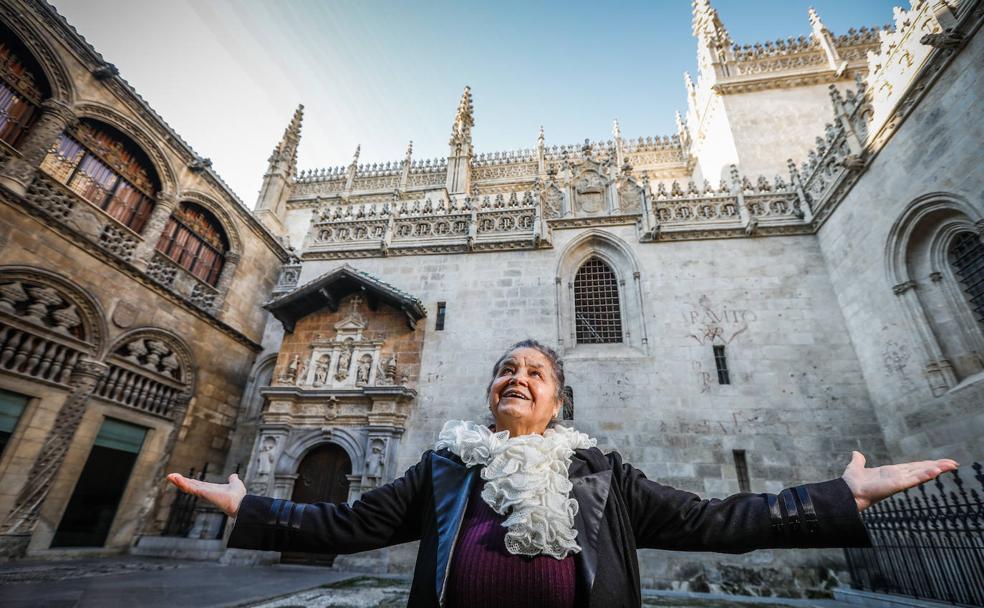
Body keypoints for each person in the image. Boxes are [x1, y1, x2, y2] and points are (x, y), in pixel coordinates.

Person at [168, 339, 958, 608]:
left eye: (534, 371)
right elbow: (348, 526)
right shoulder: (445, 470)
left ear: (557, 400)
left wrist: (838, 496)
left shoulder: (603, 475)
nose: (517, 377)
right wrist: (251, 507)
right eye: (505, 370)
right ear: (490, 394)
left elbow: (712, 521)